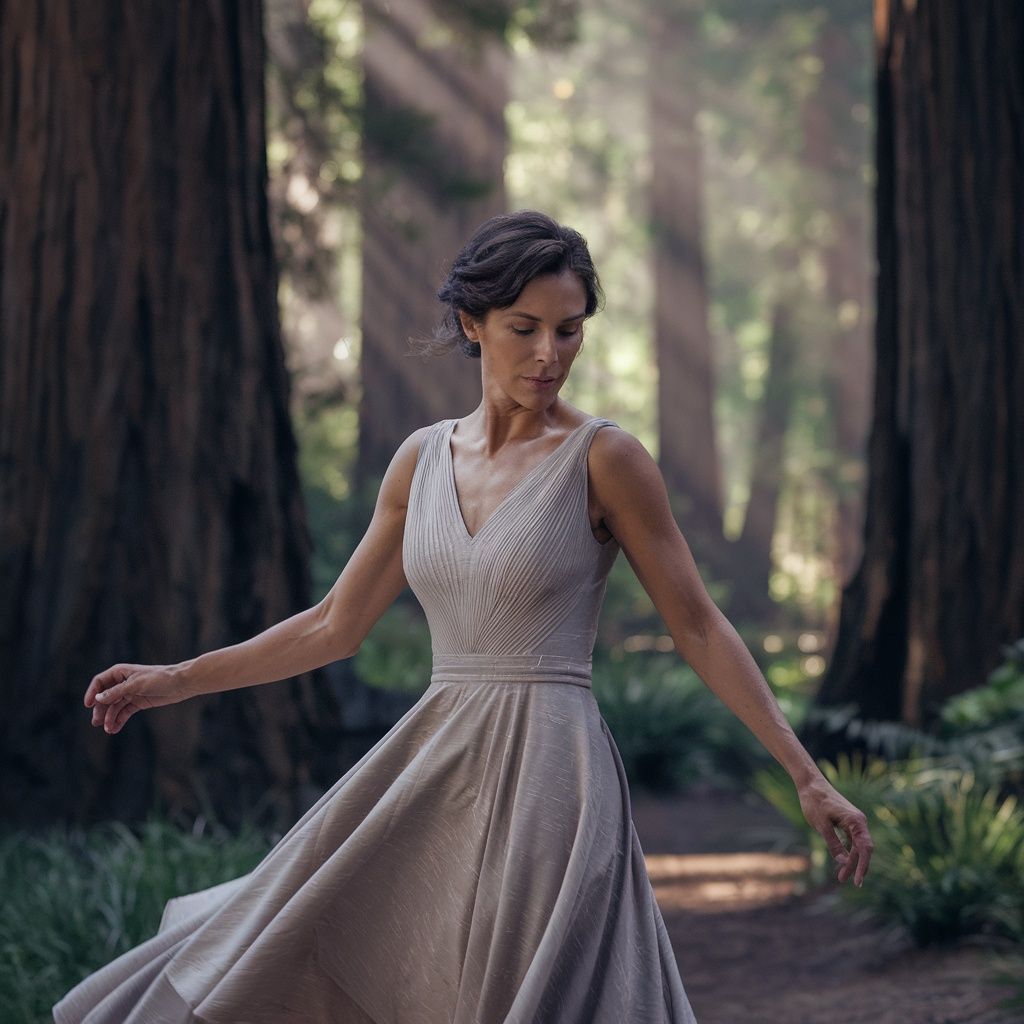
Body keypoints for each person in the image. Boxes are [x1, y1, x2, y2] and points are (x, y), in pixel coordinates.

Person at [54, 209, 873, 1023]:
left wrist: (805, 774)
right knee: (327, 945)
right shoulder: (420, 458)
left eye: (569, 330)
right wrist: (178, 679)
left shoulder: (607, 459)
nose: (550, 355)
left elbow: (697, 626)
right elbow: (333, 624)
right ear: (471, 324)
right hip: (437, 765)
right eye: (525, 328)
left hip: (556, 776)